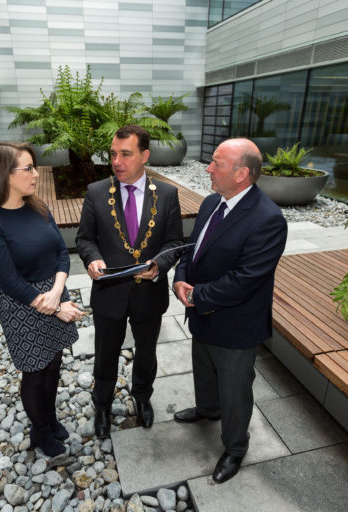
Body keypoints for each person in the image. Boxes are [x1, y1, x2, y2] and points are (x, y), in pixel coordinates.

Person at [172, 138, 287, 483]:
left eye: (216, 163)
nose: (208, 168)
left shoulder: (268, 219)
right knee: (204, 369)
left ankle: (235, 447)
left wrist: (197, 296)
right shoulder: (211, 202)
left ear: (242, 174)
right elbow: (192, 251)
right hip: (203, 313)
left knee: (235, 392)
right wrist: (179, 279)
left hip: (236, 326)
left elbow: (245, 280)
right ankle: (208, 410)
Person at [0, 141, 83, 457]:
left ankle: (49, 418)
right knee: (35, 372)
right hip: (24, 306)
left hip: (54, 295)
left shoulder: (39, 207)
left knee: (54, 363)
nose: (36, 173)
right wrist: (51, 304)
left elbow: (63, 253)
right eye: (29, 168)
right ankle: (40, 431)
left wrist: (59, 291)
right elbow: (9, 282)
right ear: (4, 175)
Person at [76, 124, 184, 437]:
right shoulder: (97, 192)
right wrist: (93, 258)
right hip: (109, 293)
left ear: (144, 155)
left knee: (147, 352)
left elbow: (174, 242)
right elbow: (85, 239)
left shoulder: (167, 194)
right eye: (113, 154)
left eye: (126, 154)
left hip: (148, 294)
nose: (117, 161)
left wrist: (159, 265)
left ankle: (142, 397)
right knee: (105, 353)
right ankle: (102, 405)